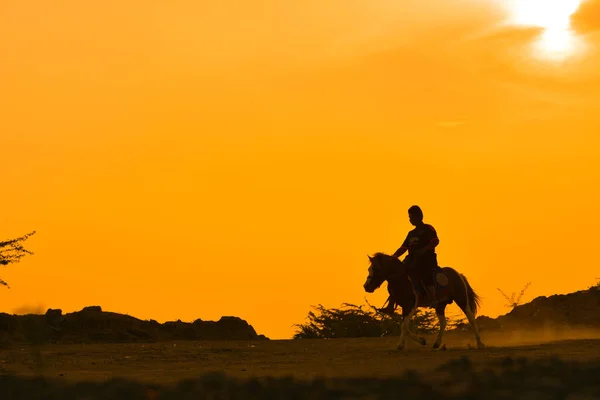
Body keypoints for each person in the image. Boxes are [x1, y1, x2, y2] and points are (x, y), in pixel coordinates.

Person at [379, 205, 440, 315]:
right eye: (409, 217)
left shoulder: (428, 228)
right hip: (411, 260)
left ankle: (433, 298)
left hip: (426, 259)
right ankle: (390, 305)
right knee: (397, 275)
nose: (410, 220)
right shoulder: (411, 233)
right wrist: (393, 257)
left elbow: (435, 241)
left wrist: (425, 249)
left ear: (419, 216)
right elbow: (404, 247)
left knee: (424, 274)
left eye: (412, 217)